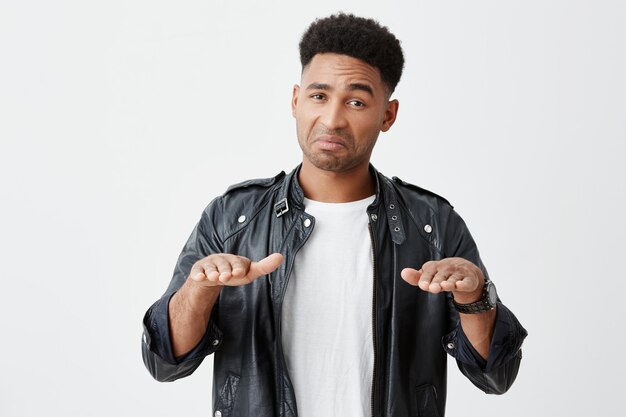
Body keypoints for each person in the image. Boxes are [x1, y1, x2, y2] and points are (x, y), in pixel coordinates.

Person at [141, 13, 527, 417]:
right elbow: (166, 362)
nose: (332, 119)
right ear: (295, 100)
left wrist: (474, 298)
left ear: (388, 115)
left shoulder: (432, 224)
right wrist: (199, 291)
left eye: (356, 101)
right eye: (319, 96)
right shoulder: (233, 217)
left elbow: (496, 375)